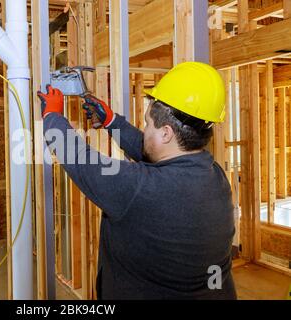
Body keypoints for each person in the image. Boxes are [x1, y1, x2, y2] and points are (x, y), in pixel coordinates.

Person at [37, 61, 237, 300]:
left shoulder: (139, 190)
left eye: (147, 123)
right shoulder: (215, 176)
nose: (145, 128)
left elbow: (82, 161)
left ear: (166, 133)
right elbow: (156, 154)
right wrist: (112, 122)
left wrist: (52, 117)